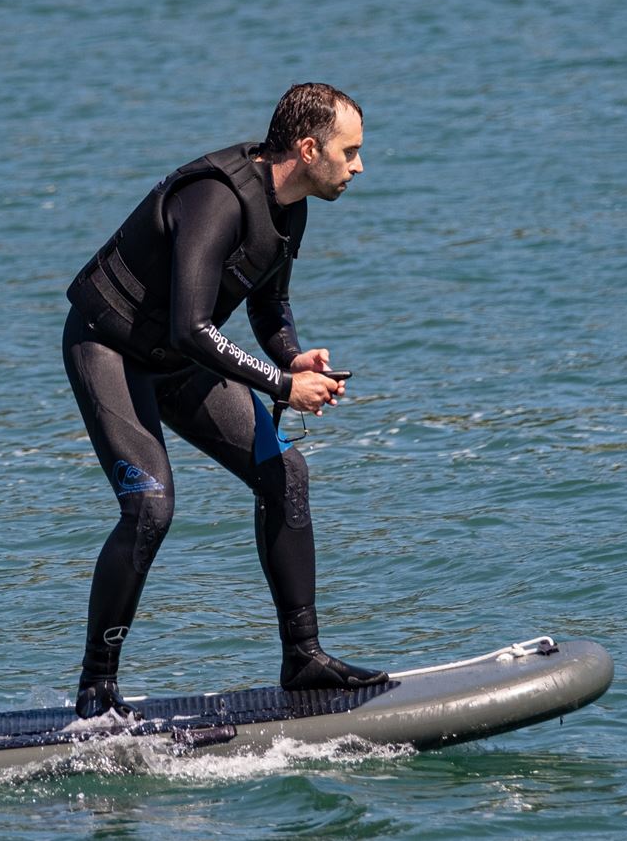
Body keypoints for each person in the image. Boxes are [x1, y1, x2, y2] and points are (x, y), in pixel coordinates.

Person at [61, 82, 387, 719]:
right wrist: (281, 384)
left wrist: (290, 353)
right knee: (149, 508)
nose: (359, 167)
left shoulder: (291, 204)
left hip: (181, 358)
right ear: (308, 147)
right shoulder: (215, 199)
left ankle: (303, 658)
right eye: (349, 152)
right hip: (111, 347)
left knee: (284, 470)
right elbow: (191, 325)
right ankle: (97, 688)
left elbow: (269, 303)